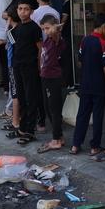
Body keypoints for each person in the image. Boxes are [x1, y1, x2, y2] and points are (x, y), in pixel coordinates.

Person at [72, 13, 105, 156]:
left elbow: (80, 61)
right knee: (98, 116)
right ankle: (94, 147)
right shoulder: (104, 44)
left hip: (85, 84)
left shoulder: (84, 40)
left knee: (82, 114)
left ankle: (76, 145)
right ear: (103, 27)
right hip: (99, 86)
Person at [8, 0, 43, 145]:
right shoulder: (18, 28)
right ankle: (22, 128)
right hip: (17, 66)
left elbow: (40, 49)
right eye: (20, 9)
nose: (23, 11)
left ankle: (29, 131)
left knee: (30, 98)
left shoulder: (35, 28)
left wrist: (40, 66)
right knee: (21, 98)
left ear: (31, 11)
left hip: (30, 67)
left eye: (26, 9)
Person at [37, 14, 68, 152]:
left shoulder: (57, 39)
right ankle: (59, 136)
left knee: (54, 109)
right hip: (45, 77)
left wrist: (55, 27)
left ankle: (56, 139)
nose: (46, 31)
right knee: (48, 107)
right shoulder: (48, 40)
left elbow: (56, 32)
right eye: (43, 29)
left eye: (48, 28)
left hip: (53, 78)